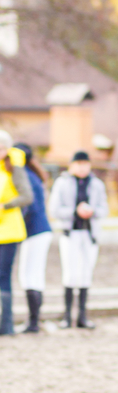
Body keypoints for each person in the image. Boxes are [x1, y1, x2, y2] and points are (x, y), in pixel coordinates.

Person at [48, 150, 108, 329]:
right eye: (79, 163)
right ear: (72, 165)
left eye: (85, 164)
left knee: (85, 273)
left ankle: (82, 315)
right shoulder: (62, 183)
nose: (82, 167)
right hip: (70, 232)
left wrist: (92, 211)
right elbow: (54, 209)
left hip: (89, 234)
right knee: (70, 273)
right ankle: (67, 316)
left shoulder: (96, 184)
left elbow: (104, 208)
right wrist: (74, 212)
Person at [14, 143, 53, 333]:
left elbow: (27, 207)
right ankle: (35, 320)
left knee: (30, 275)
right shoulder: (33, 174)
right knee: (33, 274)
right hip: (39, 230)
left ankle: (34, 321)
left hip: (34, 231)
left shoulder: (25, 177)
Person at [0, 130, 33, 335]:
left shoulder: (14, 168)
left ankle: (7, 323)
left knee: (3, 277)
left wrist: (6, 206)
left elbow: (27, 196)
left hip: (9, 230)